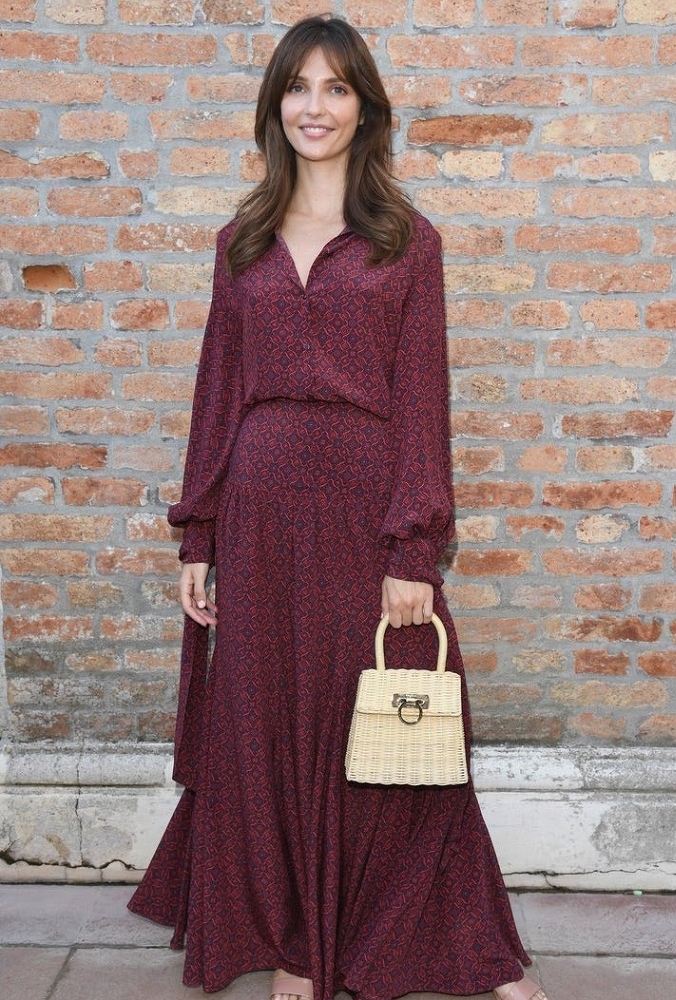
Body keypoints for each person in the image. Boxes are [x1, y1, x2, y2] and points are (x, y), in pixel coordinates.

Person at [128, 15, 549, 1000]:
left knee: (394, 726)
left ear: (366, 108)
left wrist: (414, 550)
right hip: (260, 510)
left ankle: (472, 953)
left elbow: (422, 404)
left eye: (336, 87)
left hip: (365, 509)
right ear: (274, 105)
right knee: (269, 724)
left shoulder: (407, 242)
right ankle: (293, 946)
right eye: (297, 87)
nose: (314, 107)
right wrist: (199, 532)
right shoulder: (240, 243)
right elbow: (216, 393)